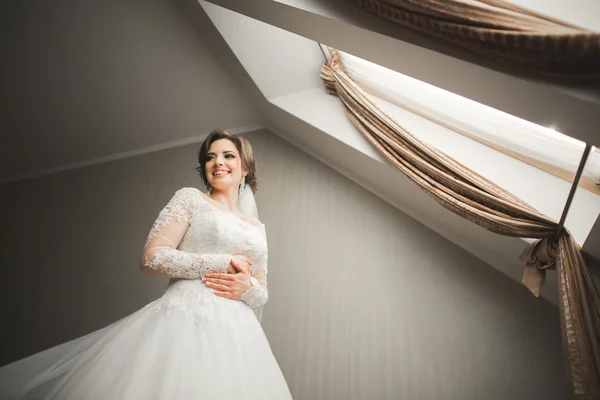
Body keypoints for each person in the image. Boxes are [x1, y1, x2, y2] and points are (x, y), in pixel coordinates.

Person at [0, 129, 293, 399]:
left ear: (245, 168)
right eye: (210, 156)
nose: (218, 162)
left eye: (228, 155)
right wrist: (222, 261)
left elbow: (262, 291)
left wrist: (248, 286)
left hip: (239, 338)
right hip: (184, 321)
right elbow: (152, 257)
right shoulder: (190, 199)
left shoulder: (257, 227)